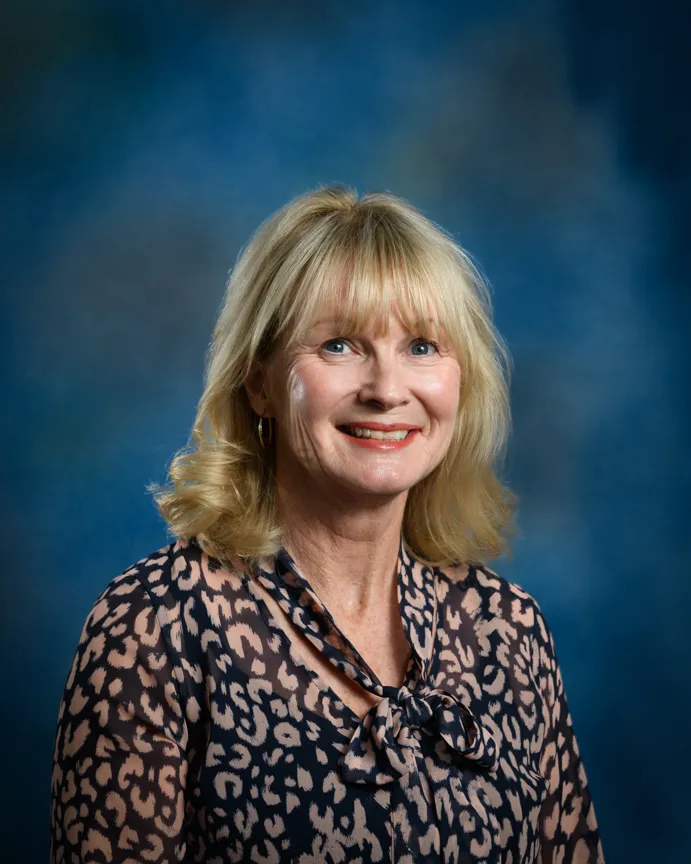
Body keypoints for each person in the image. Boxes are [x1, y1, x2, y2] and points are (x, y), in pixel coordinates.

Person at [50, 186, 604, 863]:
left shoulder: (508, 632)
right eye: (339, 344)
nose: (386, 388)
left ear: (462, 382)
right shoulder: (154, 628)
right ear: (260, 382)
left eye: (422, 346)